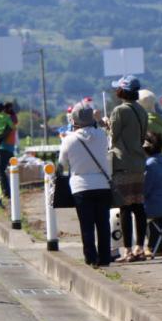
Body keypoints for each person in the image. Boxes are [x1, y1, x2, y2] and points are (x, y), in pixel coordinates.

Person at [59, 101, 113, 267]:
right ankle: (105, 258)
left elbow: (61, 165)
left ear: (74, 120)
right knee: (103, 224)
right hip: (103, 184)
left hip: (80, 186)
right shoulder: (102, 135)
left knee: (86, 226)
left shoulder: (69, 139)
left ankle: (91, 258)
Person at [108, 75, 149, 262]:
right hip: (138, 163)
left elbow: (113, 137)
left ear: (122, 91)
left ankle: (127, 250)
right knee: (138, 206)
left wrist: (107, 125)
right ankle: (140, 247)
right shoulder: (142, 111)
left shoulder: (119, 111)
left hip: (122, 163)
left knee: (124, 207)